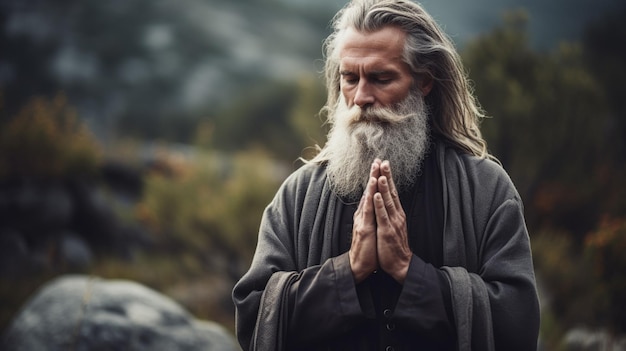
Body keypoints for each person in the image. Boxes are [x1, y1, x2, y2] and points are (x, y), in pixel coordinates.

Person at [232, 0, 540, 350]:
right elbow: (254, 315)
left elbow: (518, 323)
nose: (362, 97)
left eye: (381, 78)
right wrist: (347, 272)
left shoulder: (486, 190)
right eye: (350, 78)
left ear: (424, 81)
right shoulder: (298, 196)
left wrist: (411, 273)